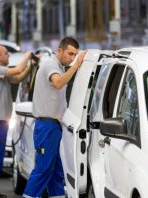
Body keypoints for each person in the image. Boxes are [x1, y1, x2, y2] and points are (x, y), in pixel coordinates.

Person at [23, 37, 87, 198]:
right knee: (44, 169)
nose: (72, 59)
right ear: (60, 50)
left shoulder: (58, 66)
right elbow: (58, 83)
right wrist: (77, 65)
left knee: (56, 172)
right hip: (46, 127)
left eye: (75, 55)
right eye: (70, 54)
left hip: (54, 126)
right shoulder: (51, 64)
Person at [0, 46, 35, 198]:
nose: (8, 55)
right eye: (6, 53)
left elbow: (17, 78)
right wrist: (27, 56)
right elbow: (17, 70)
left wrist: (31, 65)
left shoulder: (1, 72)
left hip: (0, 122)